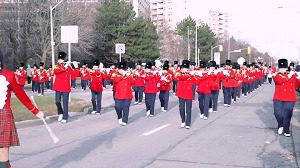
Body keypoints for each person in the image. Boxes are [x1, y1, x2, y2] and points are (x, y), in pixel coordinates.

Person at [0, 51, 44, 168]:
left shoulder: (9, 76)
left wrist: (35, 111)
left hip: (3, 116)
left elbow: (21, 96)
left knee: (3, 152)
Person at [272, 59, 300, 137]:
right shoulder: (276, 75)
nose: (282, 69)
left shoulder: (292, 75)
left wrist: (299, 77)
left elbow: (296, 85)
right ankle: (280, 124)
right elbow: (279, 81)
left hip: (290, 98)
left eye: (283, 68)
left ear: (286, 67)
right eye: (281, 68)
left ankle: (286, 130)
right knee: (277, 113)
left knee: (287, 115)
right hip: (278, 97)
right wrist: (289, 75)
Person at [111, 61, 134, 126]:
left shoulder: (129, 75)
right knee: (117, 107)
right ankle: (119, 116)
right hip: (118, 95)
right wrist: (122, 76)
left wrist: (128, 75)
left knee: (125, 107)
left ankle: (125, 120)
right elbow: (114, 80)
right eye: (120, 69)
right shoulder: (115, 75)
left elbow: (132, 82)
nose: (121, 71)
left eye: (123, 69)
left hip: (127, 95)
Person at [175, 60, 196, 129]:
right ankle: (183, 120)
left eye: (185, 68)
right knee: (181, 109)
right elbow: (176, 78)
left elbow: (197, 81)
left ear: (188, 68)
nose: (184, 70)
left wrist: (198, 75)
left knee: (188, 110)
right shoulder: (179, 74)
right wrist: (189, 75)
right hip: (181, 94)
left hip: (189, 94)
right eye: (183, 68)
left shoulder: (192, 75)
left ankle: (188, 123)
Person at [52, 52, 72, 124]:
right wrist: (65, 66)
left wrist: (76, 67)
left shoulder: (68, 67)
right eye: (59, 59)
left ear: (64, 60)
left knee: (65, 103)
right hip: (58, 87)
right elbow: (56, 72)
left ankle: (65, 117)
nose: (60, 61)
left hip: (66, 88)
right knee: (57, 101)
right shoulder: (56, 67)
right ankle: (60, 112)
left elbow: (74, 74)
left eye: (61, 59)